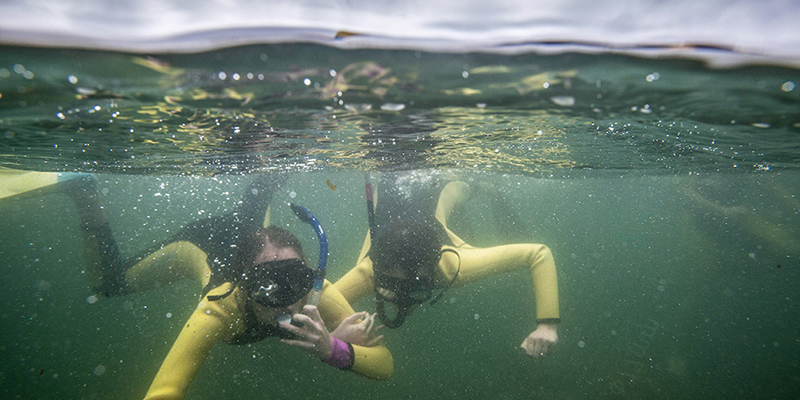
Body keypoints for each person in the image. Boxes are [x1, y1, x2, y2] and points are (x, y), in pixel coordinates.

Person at [59, 173, 392, 399]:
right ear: (244, 287)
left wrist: (332, 348)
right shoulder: (221, 306)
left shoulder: (313, 289)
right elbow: (165, 390)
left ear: (307, 275)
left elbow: (384, 363)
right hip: (204, 242)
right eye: (266, 286)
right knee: (109, 283)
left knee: (252, 219)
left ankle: (265, 176)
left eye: (293, 279)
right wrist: (340, 346)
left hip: (253, 240)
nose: (286, 302)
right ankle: (86, 195)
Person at [333, 172, 561, 358]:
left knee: (465, 187)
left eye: (416, 288)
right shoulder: (369, 271)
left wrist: (547, 326)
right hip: (389, 187)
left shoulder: (451, 265)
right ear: (380, 271)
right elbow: (316, 306)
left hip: (440, 186)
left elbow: (538, 254)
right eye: (392, 286)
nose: (404, 300)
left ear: (435, 266)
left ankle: (487, 188)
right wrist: (334, 336)